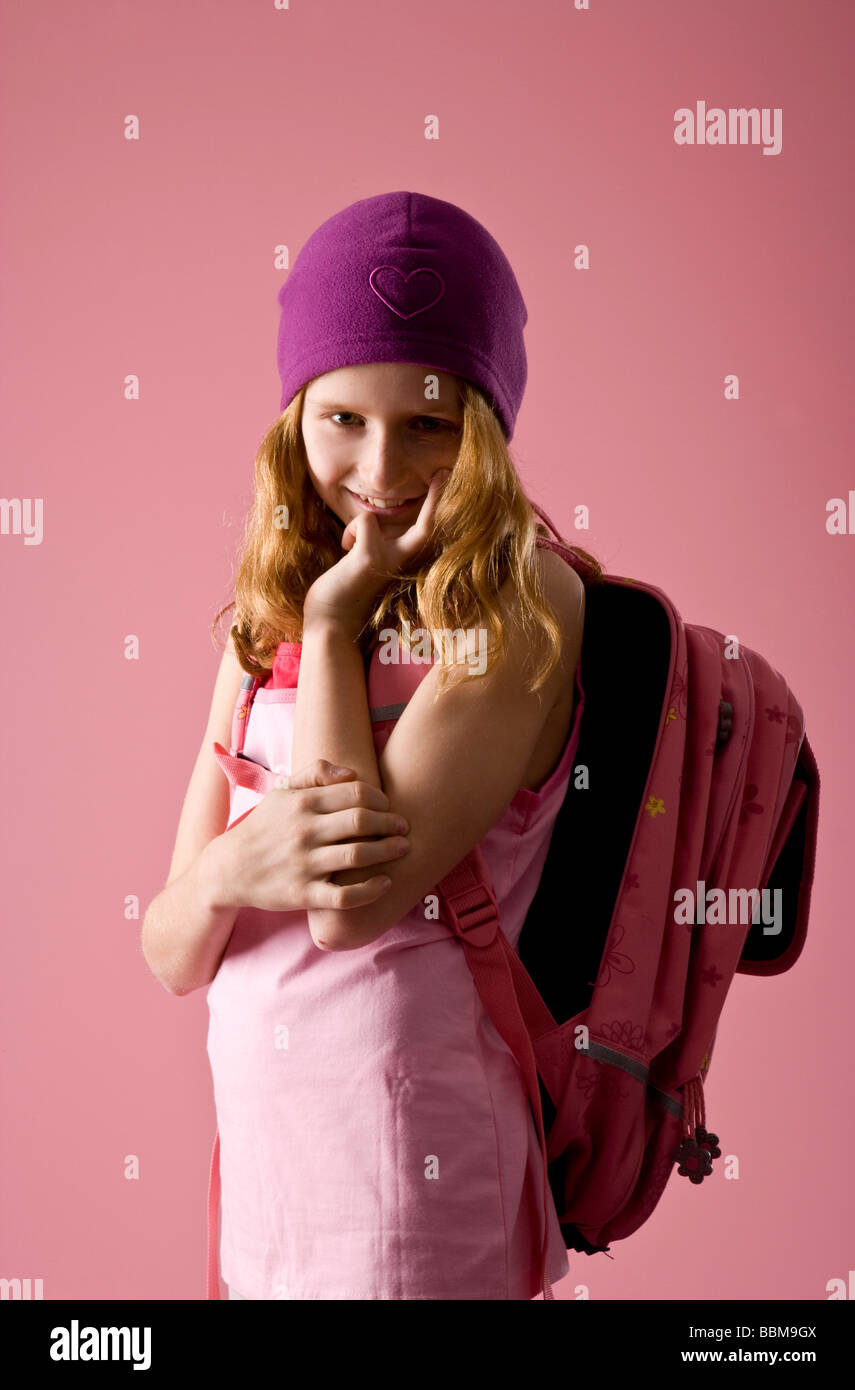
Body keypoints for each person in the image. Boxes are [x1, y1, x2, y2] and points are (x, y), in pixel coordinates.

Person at [141, 190, 603, 1300]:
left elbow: (350, 902)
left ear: (485, 430)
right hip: (271, 1168)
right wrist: (228, 874)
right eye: (343, 416)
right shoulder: (268, 613)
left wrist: (337, 626)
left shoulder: (518, 602)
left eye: (429, 423)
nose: (382, 466)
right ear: (293, 415)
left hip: (408, 1168)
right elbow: (170, 946)